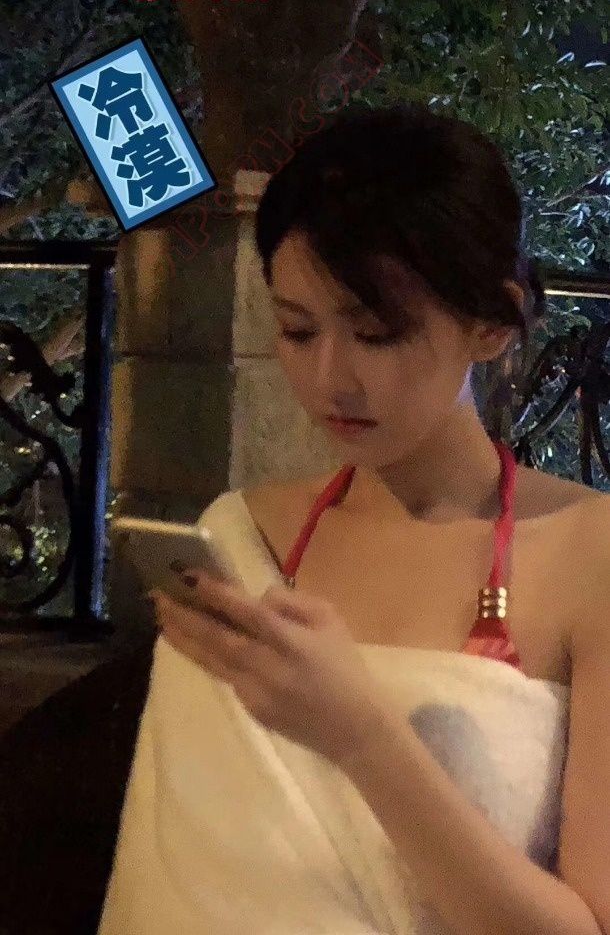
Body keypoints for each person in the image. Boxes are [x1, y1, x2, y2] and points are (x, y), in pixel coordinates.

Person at [98, 104, 610, 935]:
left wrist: (363, 737)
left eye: (376, 332)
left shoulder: (590, 553)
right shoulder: (243, 533)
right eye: (297, 330)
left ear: (491, 322)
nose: (331, 377)